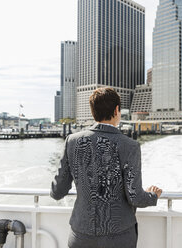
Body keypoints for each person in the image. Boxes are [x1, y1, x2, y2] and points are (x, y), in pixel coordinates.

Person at [50, 87, 162, 248]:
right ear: (117, 110)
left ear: (92, 111)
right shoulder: (130, 146)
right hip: (119, 237)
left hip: (81, 236)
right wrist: (153, 196)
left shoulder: (72, 141)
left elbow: (57, 192)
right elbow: (135, 197)